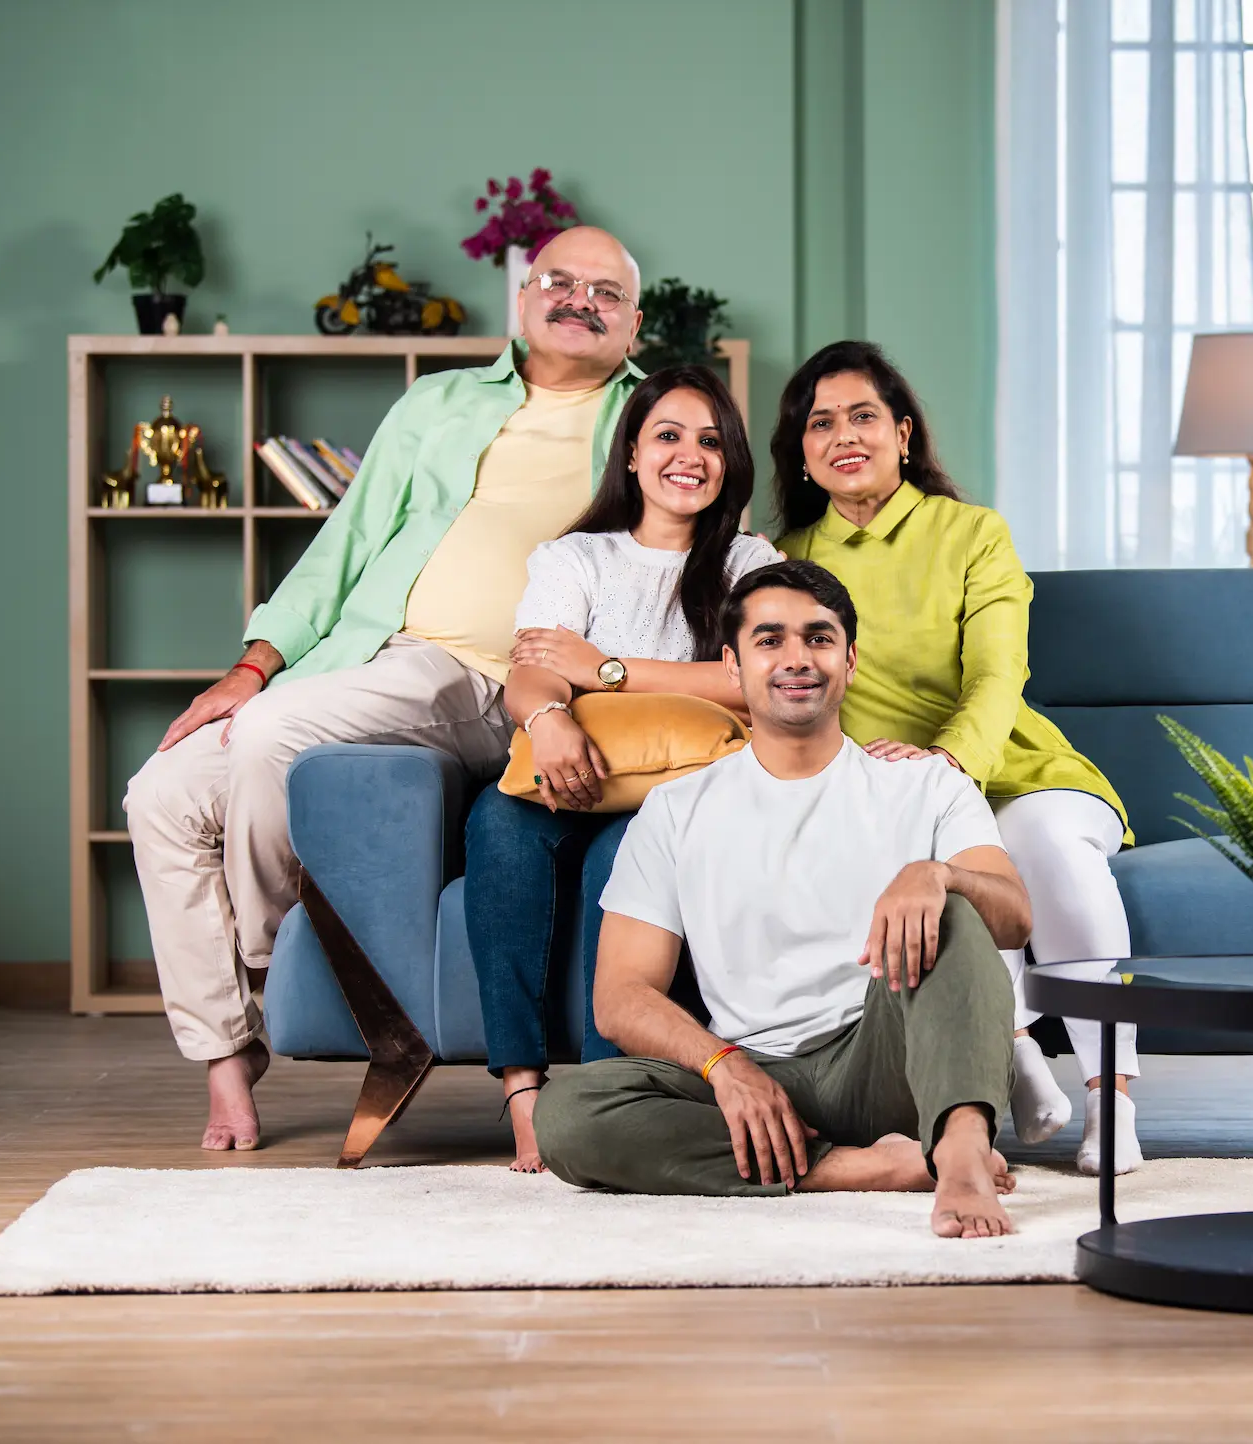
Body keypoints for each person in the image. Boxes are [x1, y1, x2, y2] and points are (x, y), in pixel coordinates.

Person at [124, 227, 649, 1152]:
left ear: (633, 322)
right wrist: (254, 665)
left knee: (271, 737)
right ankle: (226, 1052)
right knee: (160, 795)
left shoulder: (648, 420)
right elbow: (345, 543)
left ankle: (275, 959)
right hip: (362, 661)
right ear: (523, 300)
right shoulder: (437, 400)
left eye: (604, 292)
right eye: (558, 282)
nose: (578, 300)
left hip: (488, 680)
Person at [533, 561, 1023, 1238]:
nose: (798, 659)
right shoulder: (675, 811)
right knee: (566, 1114)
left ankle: (962, 1157)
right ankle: (859, 1168)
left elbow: (1015, 918)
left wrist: (940, 875)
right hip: (758, 1070)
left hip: (892, 1062)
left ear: (850, 661)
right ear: (732, 666)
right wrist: (723, 1066)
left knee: (956, 909)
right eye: (771, 641)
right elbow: (620, 997)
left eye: (819, 639)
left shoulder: (926, 788)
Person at [773, 340, 1143, 1174]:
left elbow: (998, 673)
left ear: (903, 434)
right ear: (801, 452)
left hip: (1014, 769)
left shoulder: (972, 532)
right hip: (897, 794)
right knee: (939, 858)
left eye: (864, 416)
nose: (845, 435)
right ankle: (1009, 1056)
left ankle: (1112, 1097)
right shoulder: (786, 556)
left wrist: (947, 765)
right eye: (820, 423)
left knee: (1032, 845)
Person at [465, 363, 778, 1172]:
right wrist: (549, 717)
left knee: (621, 861)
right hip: (566, 765)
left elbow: (753, 679)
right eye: (667, 436)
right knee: (496, 826)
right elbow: (533, 667)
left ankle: (611, 1098)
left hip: (678, 791)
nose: (689, 456)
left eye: (711, 441)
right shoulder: (577, 557)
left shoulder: (749, 561)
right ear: (632, 454)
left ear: (731, 462)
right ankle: (526, 1092)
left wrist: (602, 669)